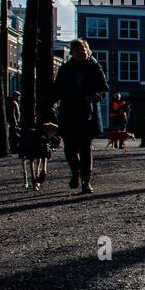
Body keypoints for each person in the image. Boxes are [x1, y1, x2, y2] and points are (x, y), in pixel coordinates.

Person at [46, 37, 108, 193]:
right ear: (72, 53)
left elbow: (103, 89)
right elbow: (56, 90)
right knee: (70, 149)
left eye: (84, 50)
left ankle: (86, 181)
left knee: (86, 148)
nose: (81, 52)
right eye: (78, 50)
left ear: (88, 51)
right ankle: (76, 172)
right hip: (69, 113)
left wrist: (94, 97)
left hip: (88, 113)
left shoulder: (95, 68)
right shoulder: (65, 69)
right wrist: (44, 106)